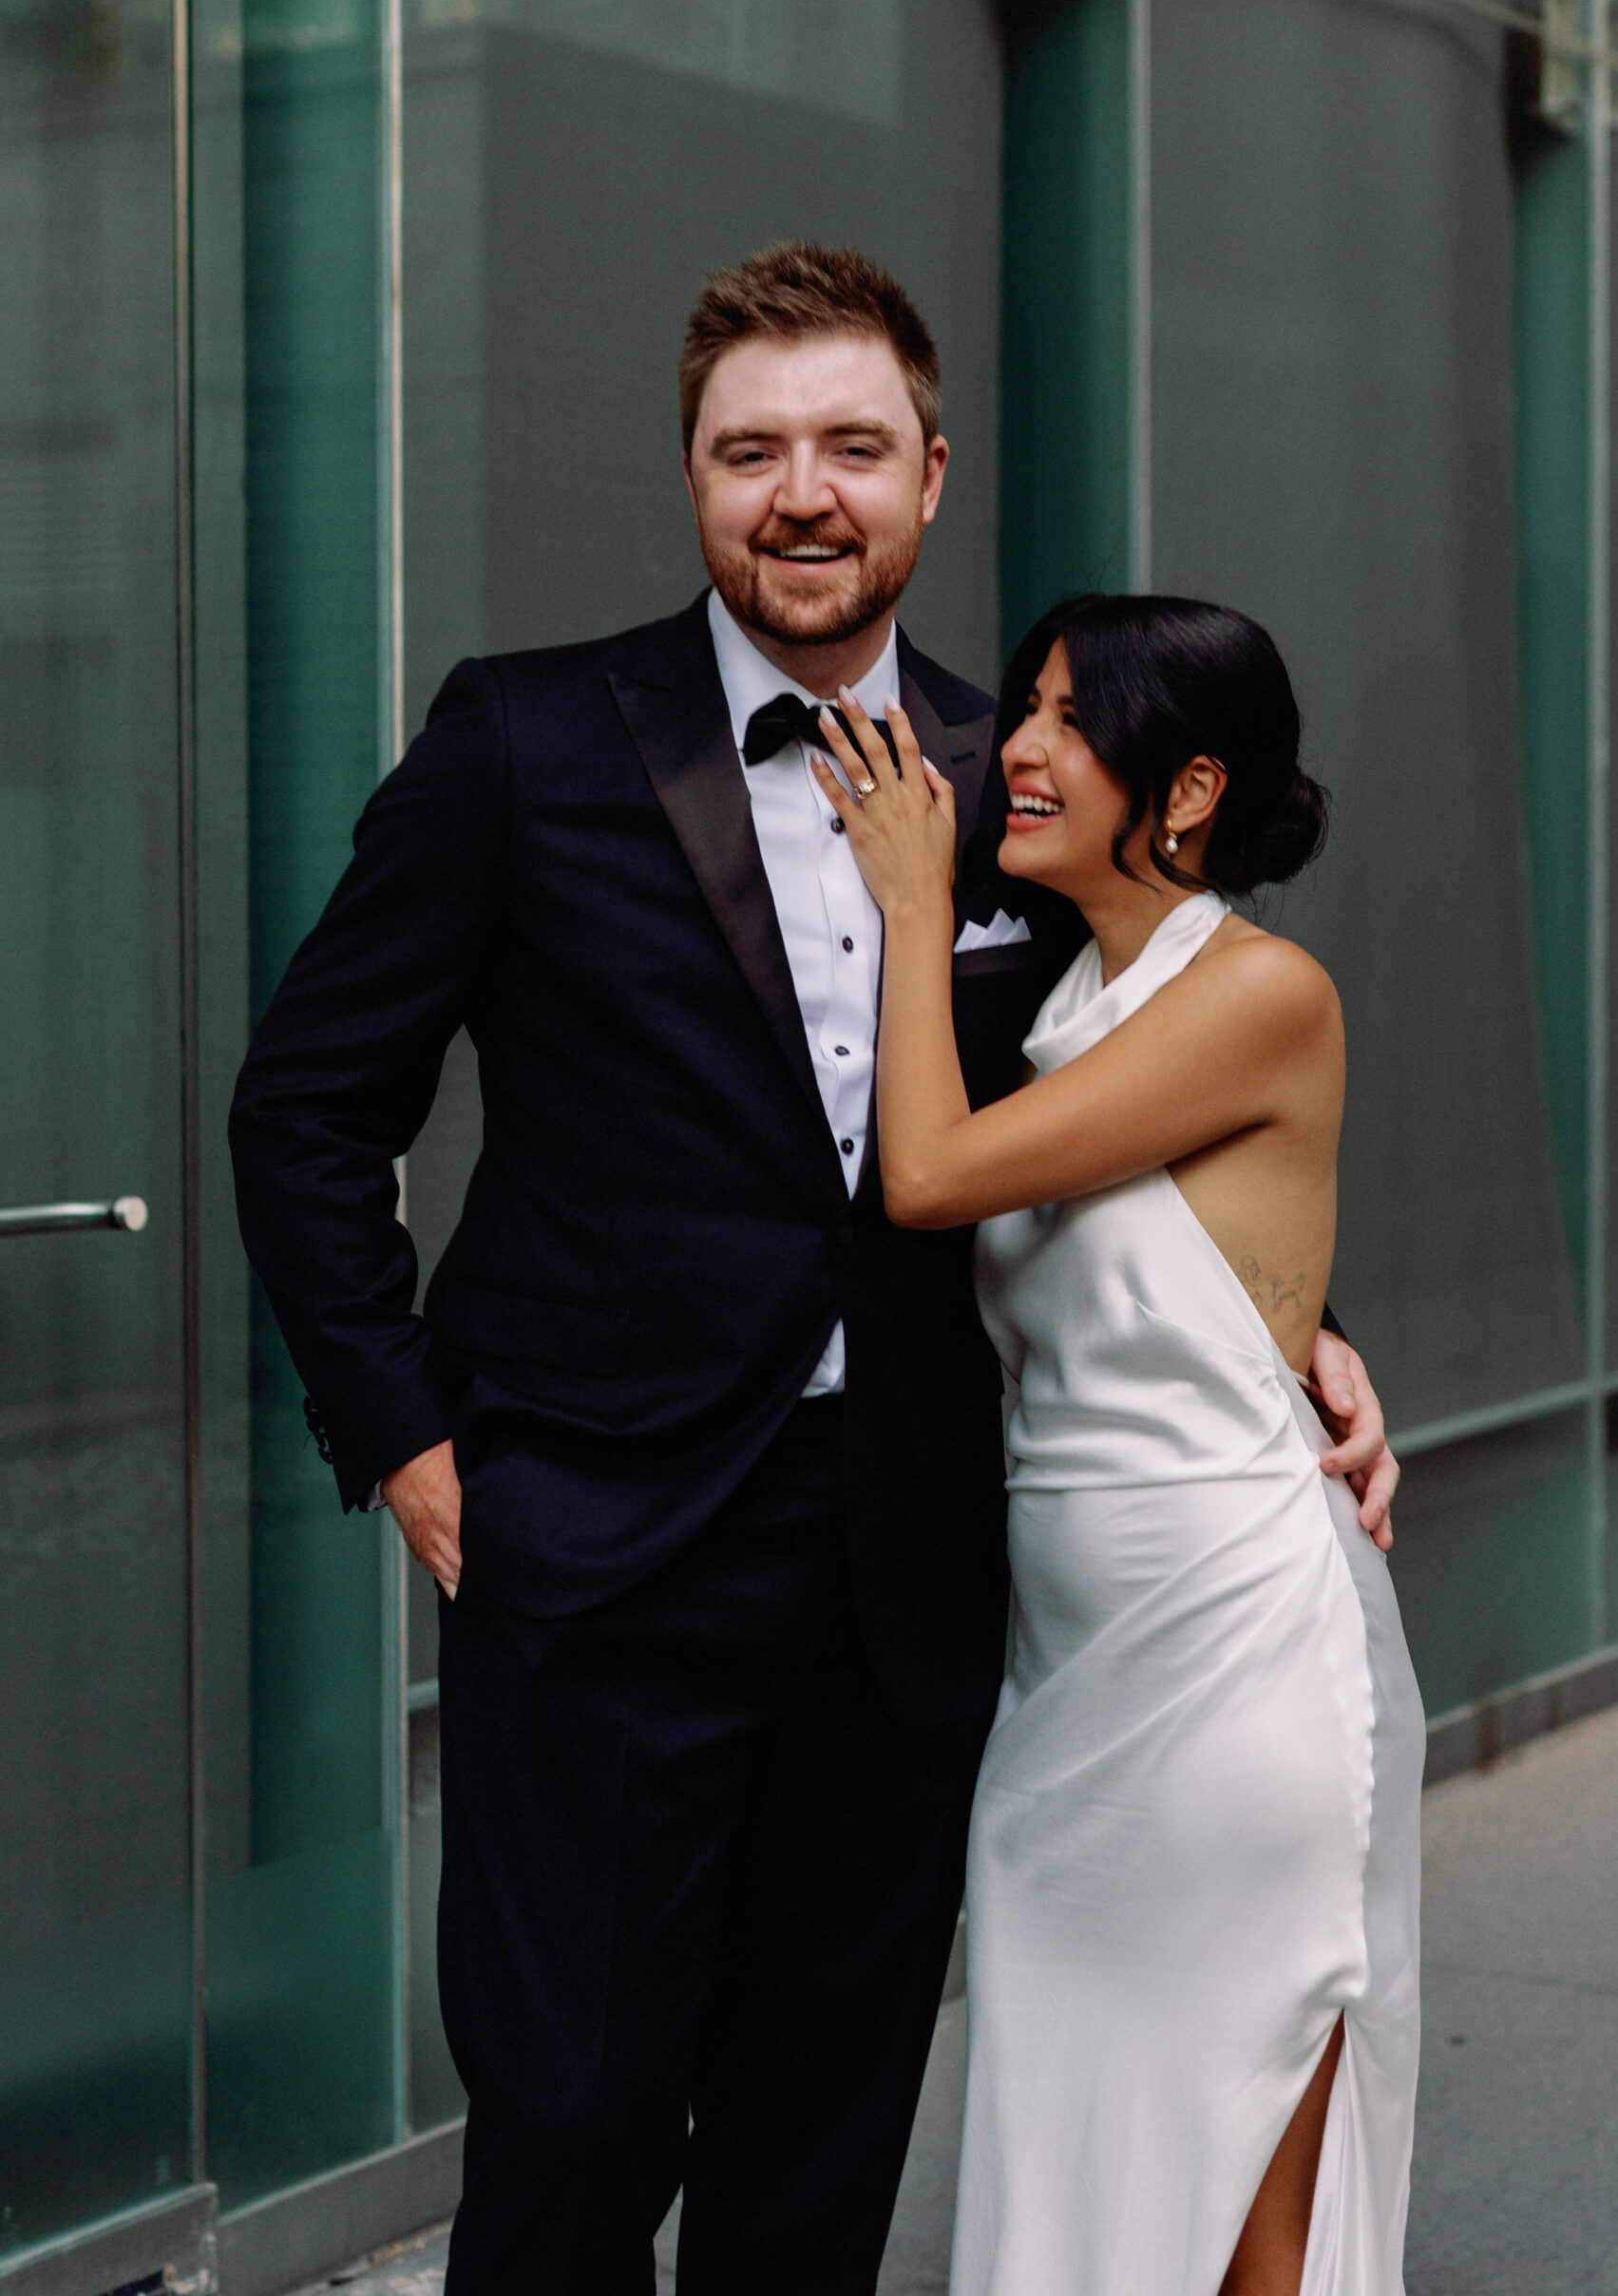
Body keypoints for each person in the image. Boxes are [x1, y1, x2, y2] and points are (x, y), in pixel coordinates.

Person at [228, 246, 1398, 2296]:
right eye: (750, 448)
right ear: (690, 476)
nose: (802, 491)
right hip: (590, 1552)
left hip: (911, 1577)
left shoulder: (1029, 781)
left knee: (817, 2148)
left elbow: (1154, 1122)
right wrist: (400, 1428)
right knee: (573, 2126)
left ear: (930, 476)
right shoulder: (522, 740)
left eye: (852, 446)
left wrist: (1298, 1337)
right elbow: (307, 1106)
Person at [811, 593, 1422, 2296]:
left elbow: (930, 1178)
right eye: (1026, 707)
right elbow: (1189, 1261)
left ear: (1190, 786)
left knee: (1241, 2219)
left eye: (1071, 721)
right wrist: (1319, 1334)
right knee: (1077, 2163)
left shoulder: (1267, 993)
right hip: (1066, 1690)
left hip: (1240, 1672)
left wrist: (912, 897)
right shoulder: (1068, 1000)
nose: (1016, 745)